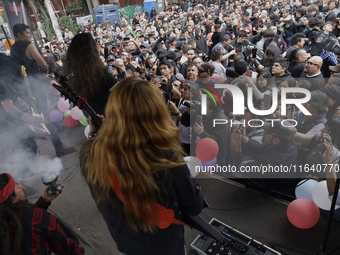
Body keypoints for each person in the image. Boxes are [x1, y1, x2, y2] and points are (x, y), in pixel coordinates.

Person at [80, 77, 204, 255]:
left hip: (126, 243)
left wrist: (94, 135)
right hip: (165, 245)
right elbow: (194, 206)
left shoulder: (89, 152)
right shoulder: (166, 159)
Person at [10, 23, 75, 157]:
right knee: (45, 118)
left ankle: (53, 145)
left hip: (24, 87)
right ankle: (59, 148)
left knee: (37, 117)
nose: (30, 36)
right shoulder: (29, 46)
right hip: (36, 85)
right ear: (19, 35)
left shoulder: (13, 49)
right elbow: (44, 63)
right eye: (28, 33)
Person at [0, 173, 85, 254]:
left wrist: (43, 202)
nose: (21, 186)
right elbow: (67, 246)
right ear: (12, 199)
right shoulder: (40, 217)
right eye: (17, 186)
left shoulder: (5, 220)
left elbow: (24, 218)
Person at [63, 33, 118, 116]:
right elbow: (123, 93)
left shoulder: (69, 76)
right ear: (92, 51)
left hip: (92, 120)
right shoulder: (100, 74)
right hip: (110, 120)